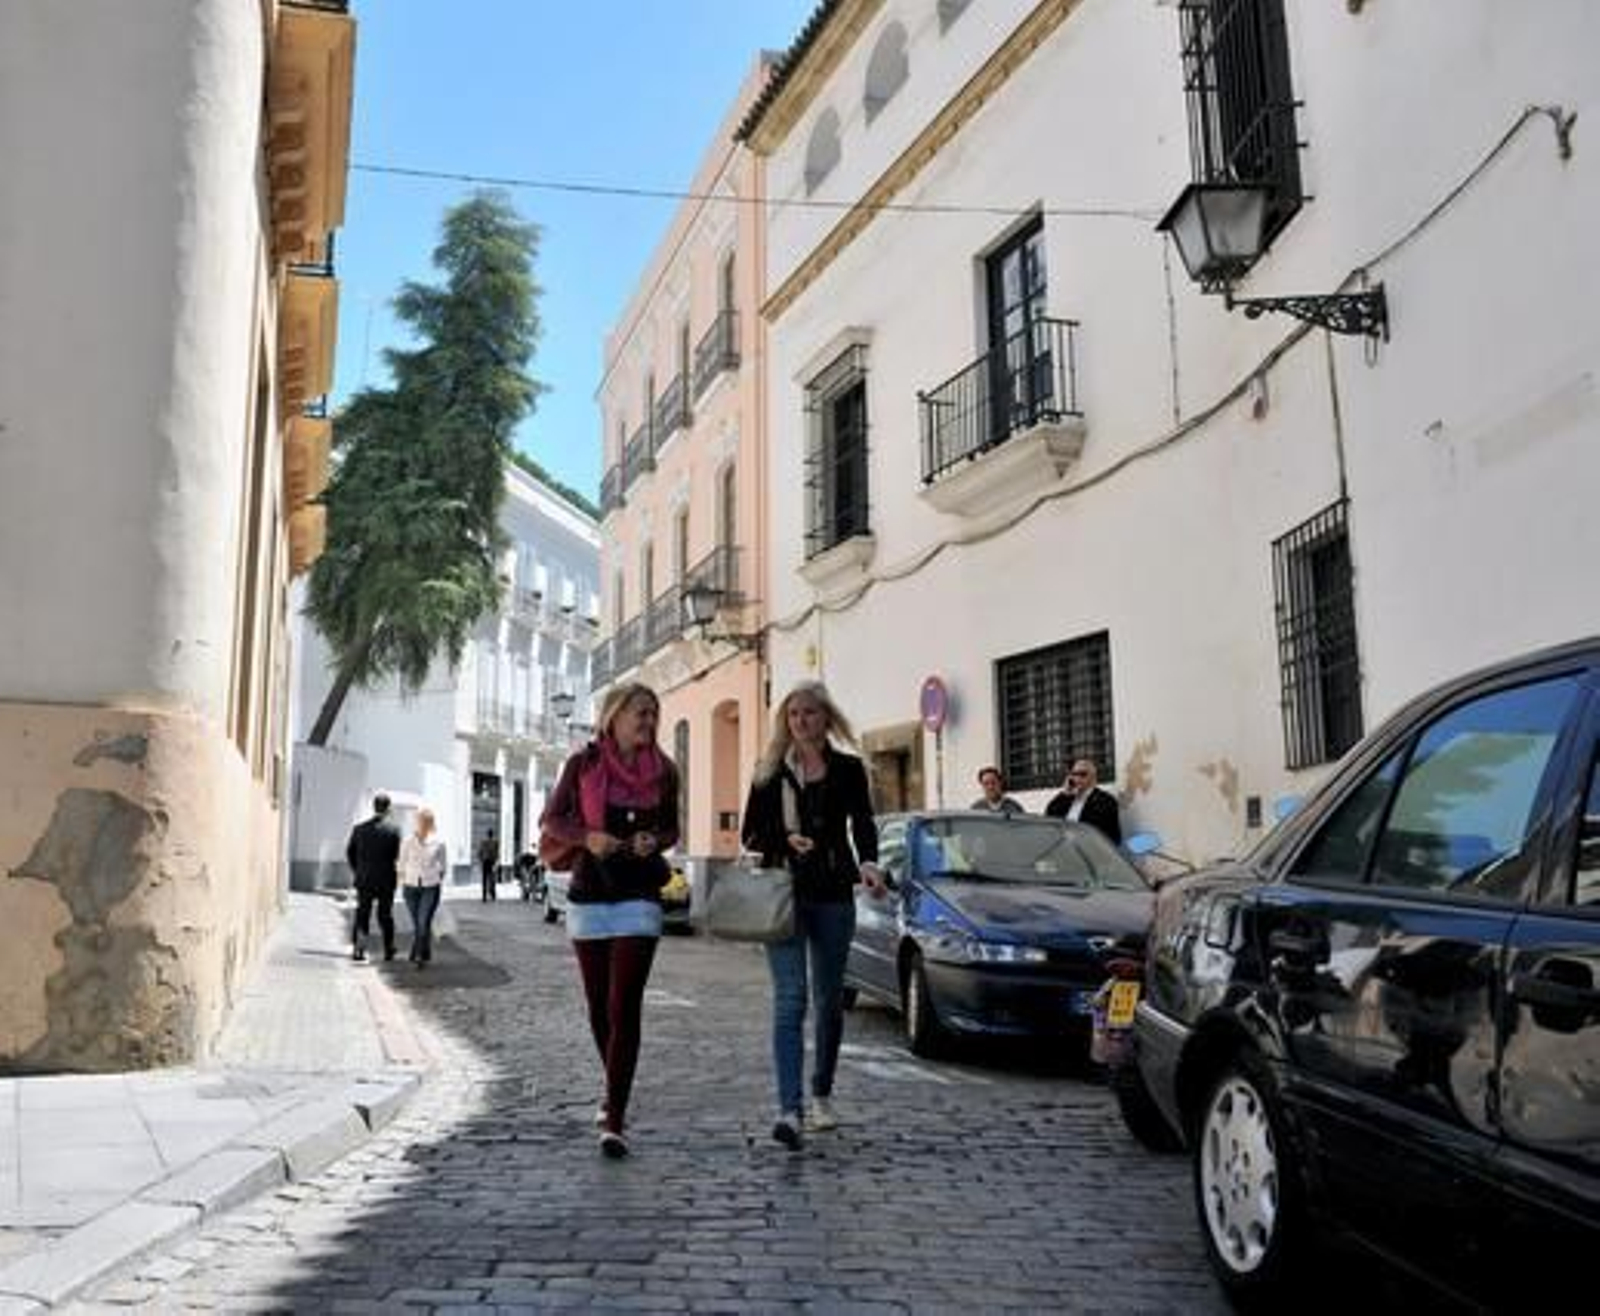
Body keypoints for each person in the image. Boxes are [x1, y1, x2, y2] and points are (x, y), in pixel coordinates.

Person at [539, 681, 680, 1160]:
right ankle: (612, 1088)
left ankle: (615, 1115)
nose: (647, 721)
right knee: (598, 1007)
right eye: (640, 712)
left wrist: (653, 842)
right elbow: (552, 820)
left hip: (639, 895)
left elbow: (671, 828)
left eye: (652, 714)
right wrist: (588, 836)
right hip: (589, 895)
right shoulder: (584, 764)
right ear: (613, 716)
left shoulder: (664, 771)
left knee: (625, 1006)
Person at [741, 681, 885, 1150]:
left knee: (828, 1001)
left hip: (832, 896)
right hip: (783, 894)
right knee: (791, 999)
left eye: (809, 712)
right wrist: (784, 842)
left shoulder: (847, 769)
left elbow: (862, 823)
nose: (800, 720)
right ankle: (789, 1109)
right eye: (793, 713)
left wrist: (869, 862)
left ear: (826, 718)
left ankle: (821, 1090)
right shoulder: (768, 773)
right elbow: (750, 834)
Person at [346, 793, 402, 962]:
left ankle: (359, 949)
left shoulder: (359, 829)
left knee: (363, 913)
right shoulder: (394, 830)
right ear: (388, 808)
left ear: (374, 807)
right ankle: (388, 948)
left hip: (364, 878)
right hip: (386, 879)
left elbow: (350, 853)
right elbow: (396, 856)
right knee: (385, 915)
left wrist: (358, 870)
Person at [399, 807, 448, 969]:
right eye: (420, 820)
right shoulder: (407, 841)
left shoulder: (439, 842)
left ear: (431, 823)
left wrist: (436, 878)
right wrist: (402, 881)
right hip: (410, 887)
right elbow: (401, 863)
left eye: (426, 821)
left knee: (422, 921)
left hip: (430, 887)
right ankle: (423, 952)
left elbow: (443, 866)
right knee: (419, 924)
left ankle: (418, 955)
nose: (422, 823)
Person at [1045, 758, 1122, 844]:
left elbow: (1108, 833)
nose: (1078, 778)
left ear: (1093, 778)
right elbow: (1049, 815)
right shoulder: (1067, 799)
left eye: (1083, 774)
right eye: (1074, 774)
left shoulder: (1105, 800)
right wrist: (1064, 794)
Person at [478, 829, 499, 902]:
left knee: (485, 879)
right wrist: (496, 862)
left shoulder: (483, 842)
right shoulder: (495, 842)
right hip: (491, 862)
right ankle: (493, 894)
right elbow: (496, 853)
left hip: (485, 862)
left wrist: (481, 860)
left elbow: (480, 852)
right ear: (492, 835)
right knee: (492, 879)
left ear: (487, 834)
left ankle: (484, 896)